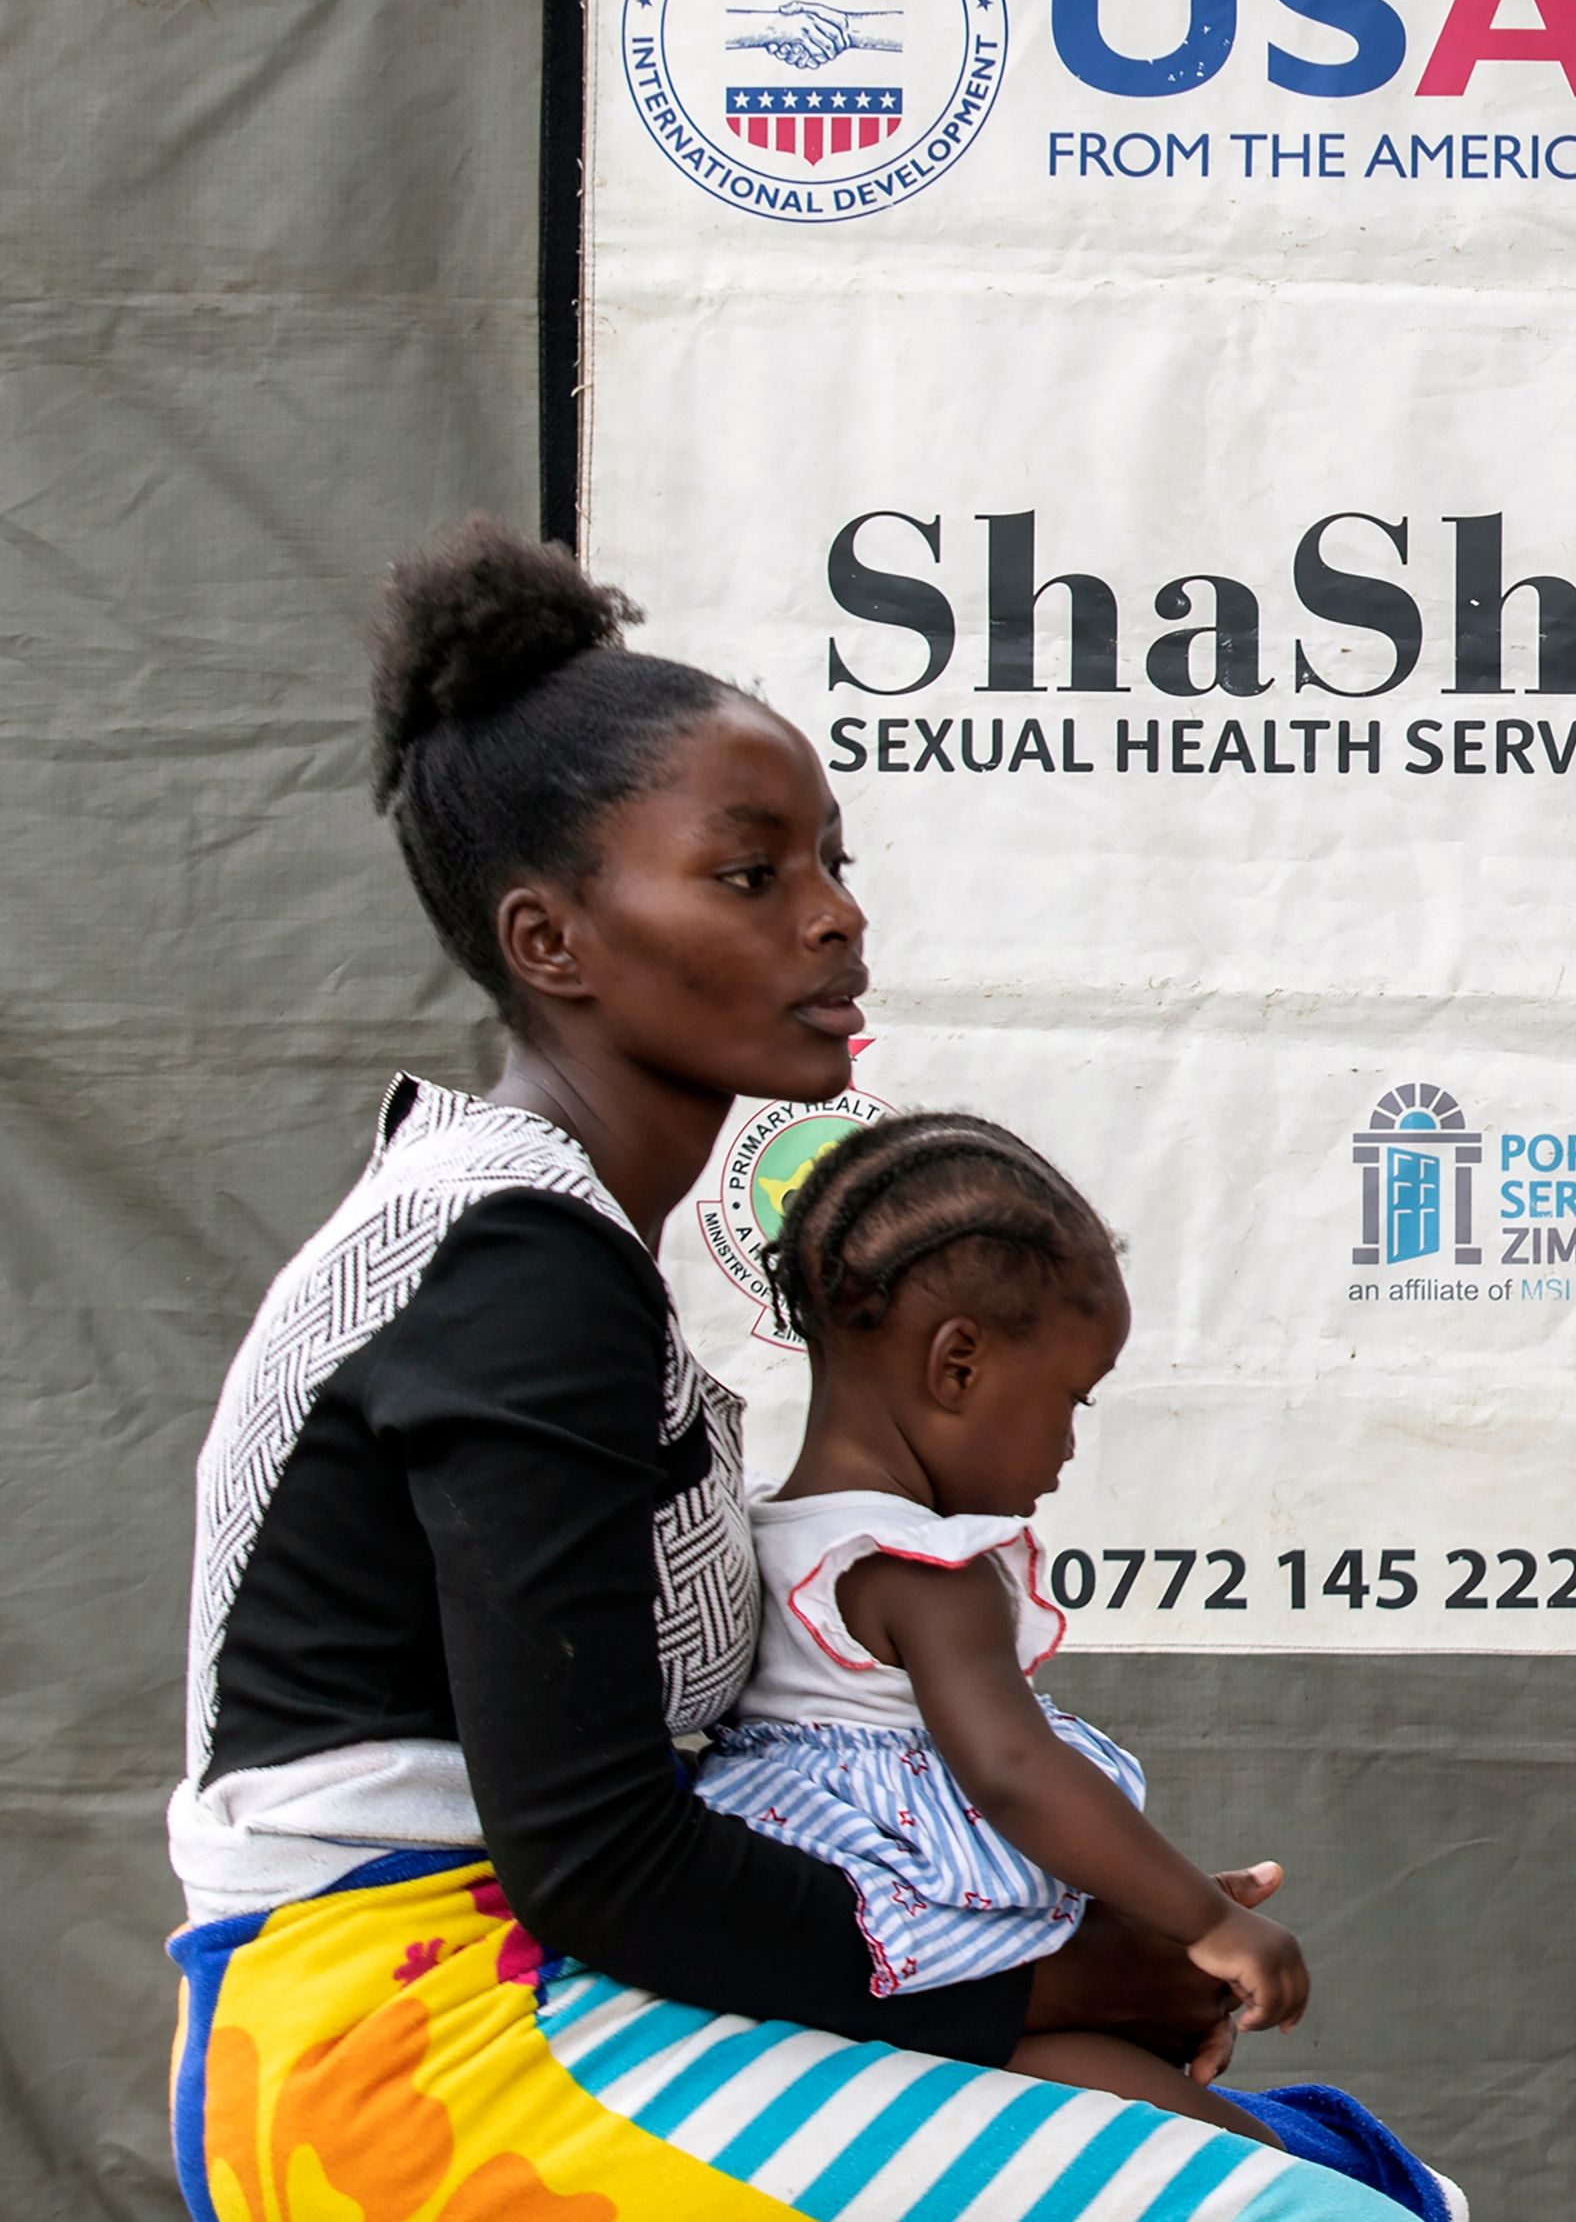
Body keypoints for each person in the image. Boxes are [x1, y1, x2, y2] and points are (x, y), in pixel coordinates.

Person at [164, 520, 1429, 2221]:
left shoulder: (553, 1247)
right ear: (554, 944)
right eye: (750, 875)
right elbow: (603, 1858)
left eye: (833, 864)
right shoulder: (511, 1268)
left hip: (518, 1985)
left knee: (1302, 2170)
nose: (834, 919)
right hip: (403, 2043)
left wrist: (1056, 1935)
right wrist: (1041, 1986)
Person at [689, 1107, 1454, 2210]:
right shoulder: (923, 1566)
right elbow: (1013, 1772)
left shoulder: (779, 1527)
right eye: (1070, 1399)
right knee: (1267, 2180)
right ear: (958, 1364)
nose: (1070, 1444)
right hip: (957, 1977)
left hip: (870, 1972)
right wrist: (1209, 1920)